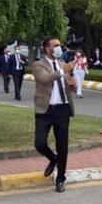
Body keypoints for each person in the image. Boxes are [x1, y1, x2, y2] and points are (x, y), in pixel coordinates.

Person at [33, 36, 76, 193]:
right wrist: (63, 70)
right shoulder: (38, 64)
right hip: (45, 110)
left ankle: (60, 179)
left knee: (62, 145)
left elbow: (70, 86)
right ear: (47, 48)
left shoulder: (62, 64)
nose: (59, 48)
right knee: (40, 143)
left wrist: (72, 78)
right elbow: (45, 79)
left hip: (62, 109)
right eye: (55, 45)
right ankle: (53, 159)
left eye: (60, 45)